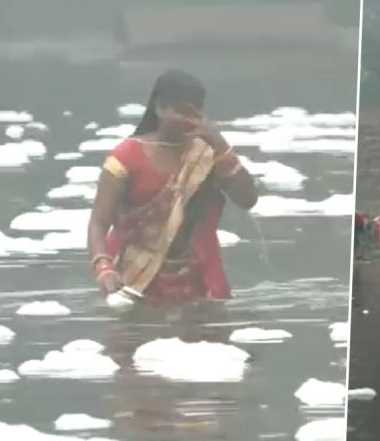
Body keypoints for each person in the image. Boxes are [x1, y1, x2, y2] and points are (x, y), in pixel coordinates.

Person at [88, 69, 258, 305]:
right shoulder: (125, 159)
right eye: (180, 111)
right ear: (159, 108)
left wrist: (220, 145)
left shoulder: (208, 153)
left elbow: (248, 199)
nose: (188, 120)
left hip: (204, 282)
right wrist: (103, 268)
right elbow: (98, 223)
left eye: (195, 113)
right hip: (138, 282)